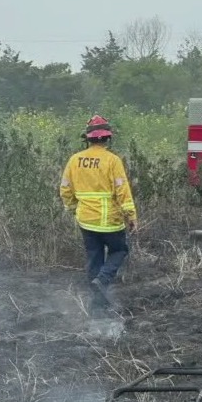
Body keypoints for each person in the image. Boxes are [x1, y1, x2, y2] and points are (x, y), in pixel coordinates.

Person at [59, 115, 138, 308]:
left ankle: (97, 306)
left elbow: (65, 188)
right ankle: (102, 280)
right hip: (109, 221)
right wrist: (131, 215)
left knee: (94, 258)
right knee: (119, 250)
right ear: (107, 138)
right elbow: (122, 190)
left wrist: (73, 208)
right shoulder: (112, 160)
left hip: (86, 221)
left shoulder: (74, 160)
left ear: (87, 138)